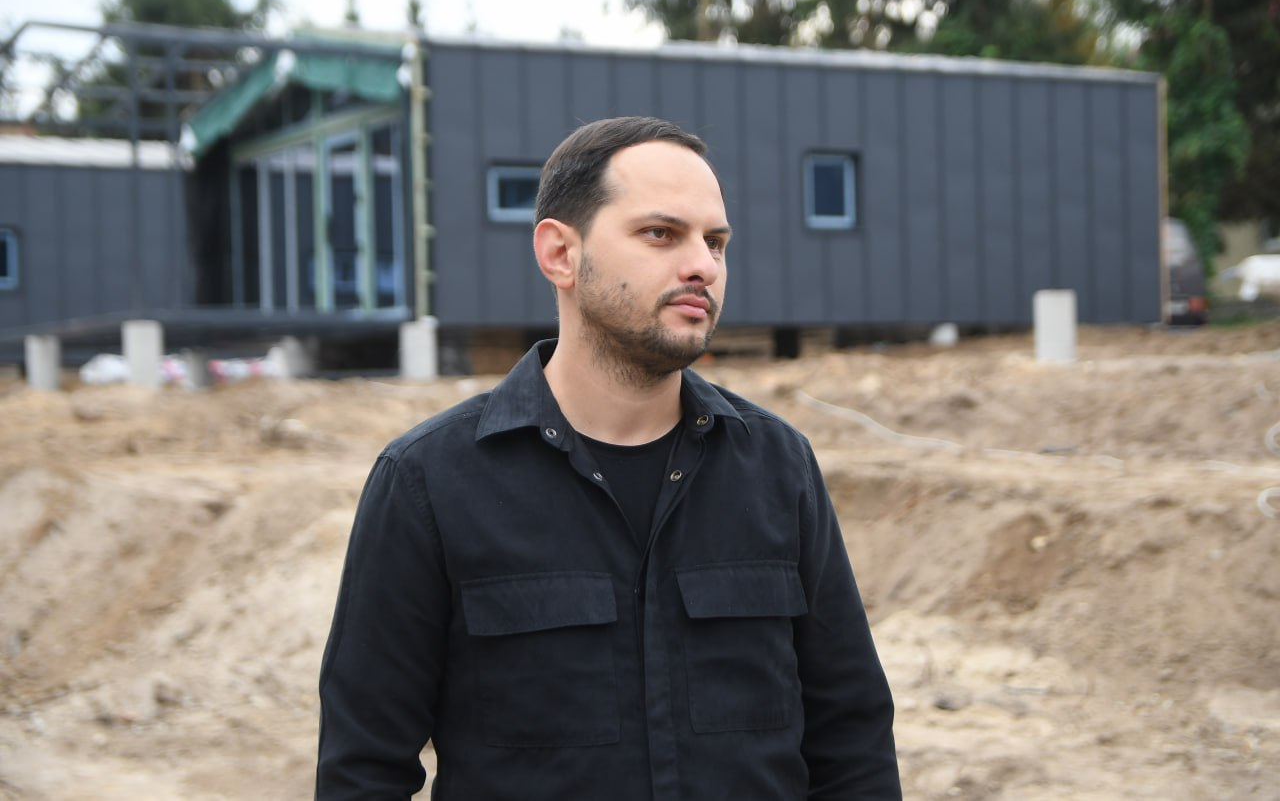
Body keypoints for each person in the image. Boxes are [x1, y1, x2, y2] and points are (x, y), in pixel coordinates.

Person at [315, 116, 901, 799]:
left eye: (715, 242)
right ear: (560, 254)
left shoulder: (777, 467)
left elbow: (852, 739)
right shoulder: (428, 483)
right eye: (661, 233)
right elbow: (364, 770)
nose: (703, 266)